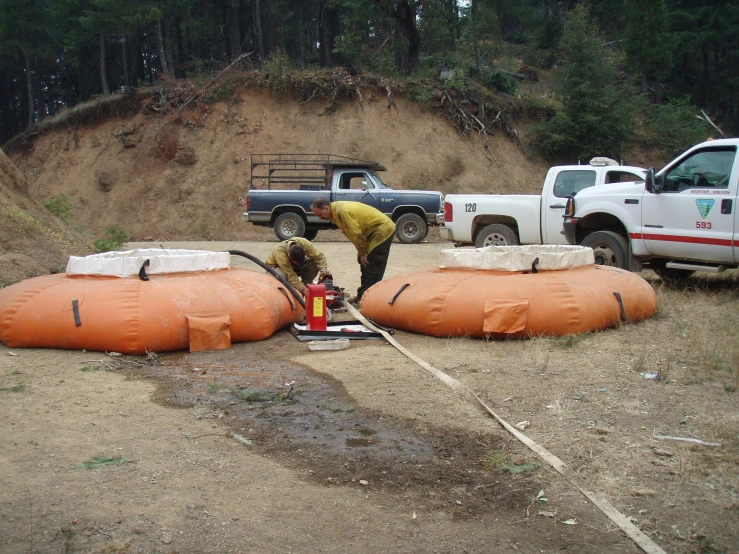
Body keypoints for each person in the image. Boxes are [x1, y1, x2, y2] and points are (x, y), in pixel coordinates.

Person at [311, 198, 395, 304]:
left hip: (382, 230)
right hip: (371, 232)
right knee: (364, 263)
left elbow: (356, 233)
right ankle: (362, 295)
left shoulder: (341, 212)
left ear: (326, 208)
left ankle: (370, 299)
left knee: (372, 264)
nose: (320, 218)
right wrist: (361, 251)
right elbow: (353, 234)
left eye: (320, 214)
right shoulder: (336, 211)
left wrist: (363, 252)